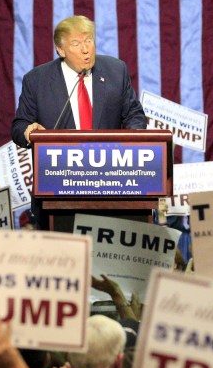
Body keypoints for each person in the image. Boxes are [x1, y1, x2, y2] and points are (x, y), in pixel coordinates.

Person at [10, 15, 147, 229]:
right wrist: (29, 131)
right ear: (61, 50)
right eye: (76, 44)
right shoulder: (37, 80)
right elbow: (19, 125)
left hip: (110, 186)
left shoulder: (115, 71)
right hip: (59, 190)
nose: (86, 49)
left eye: (89, 40)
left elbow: (134, 115)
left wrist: (131, 141)